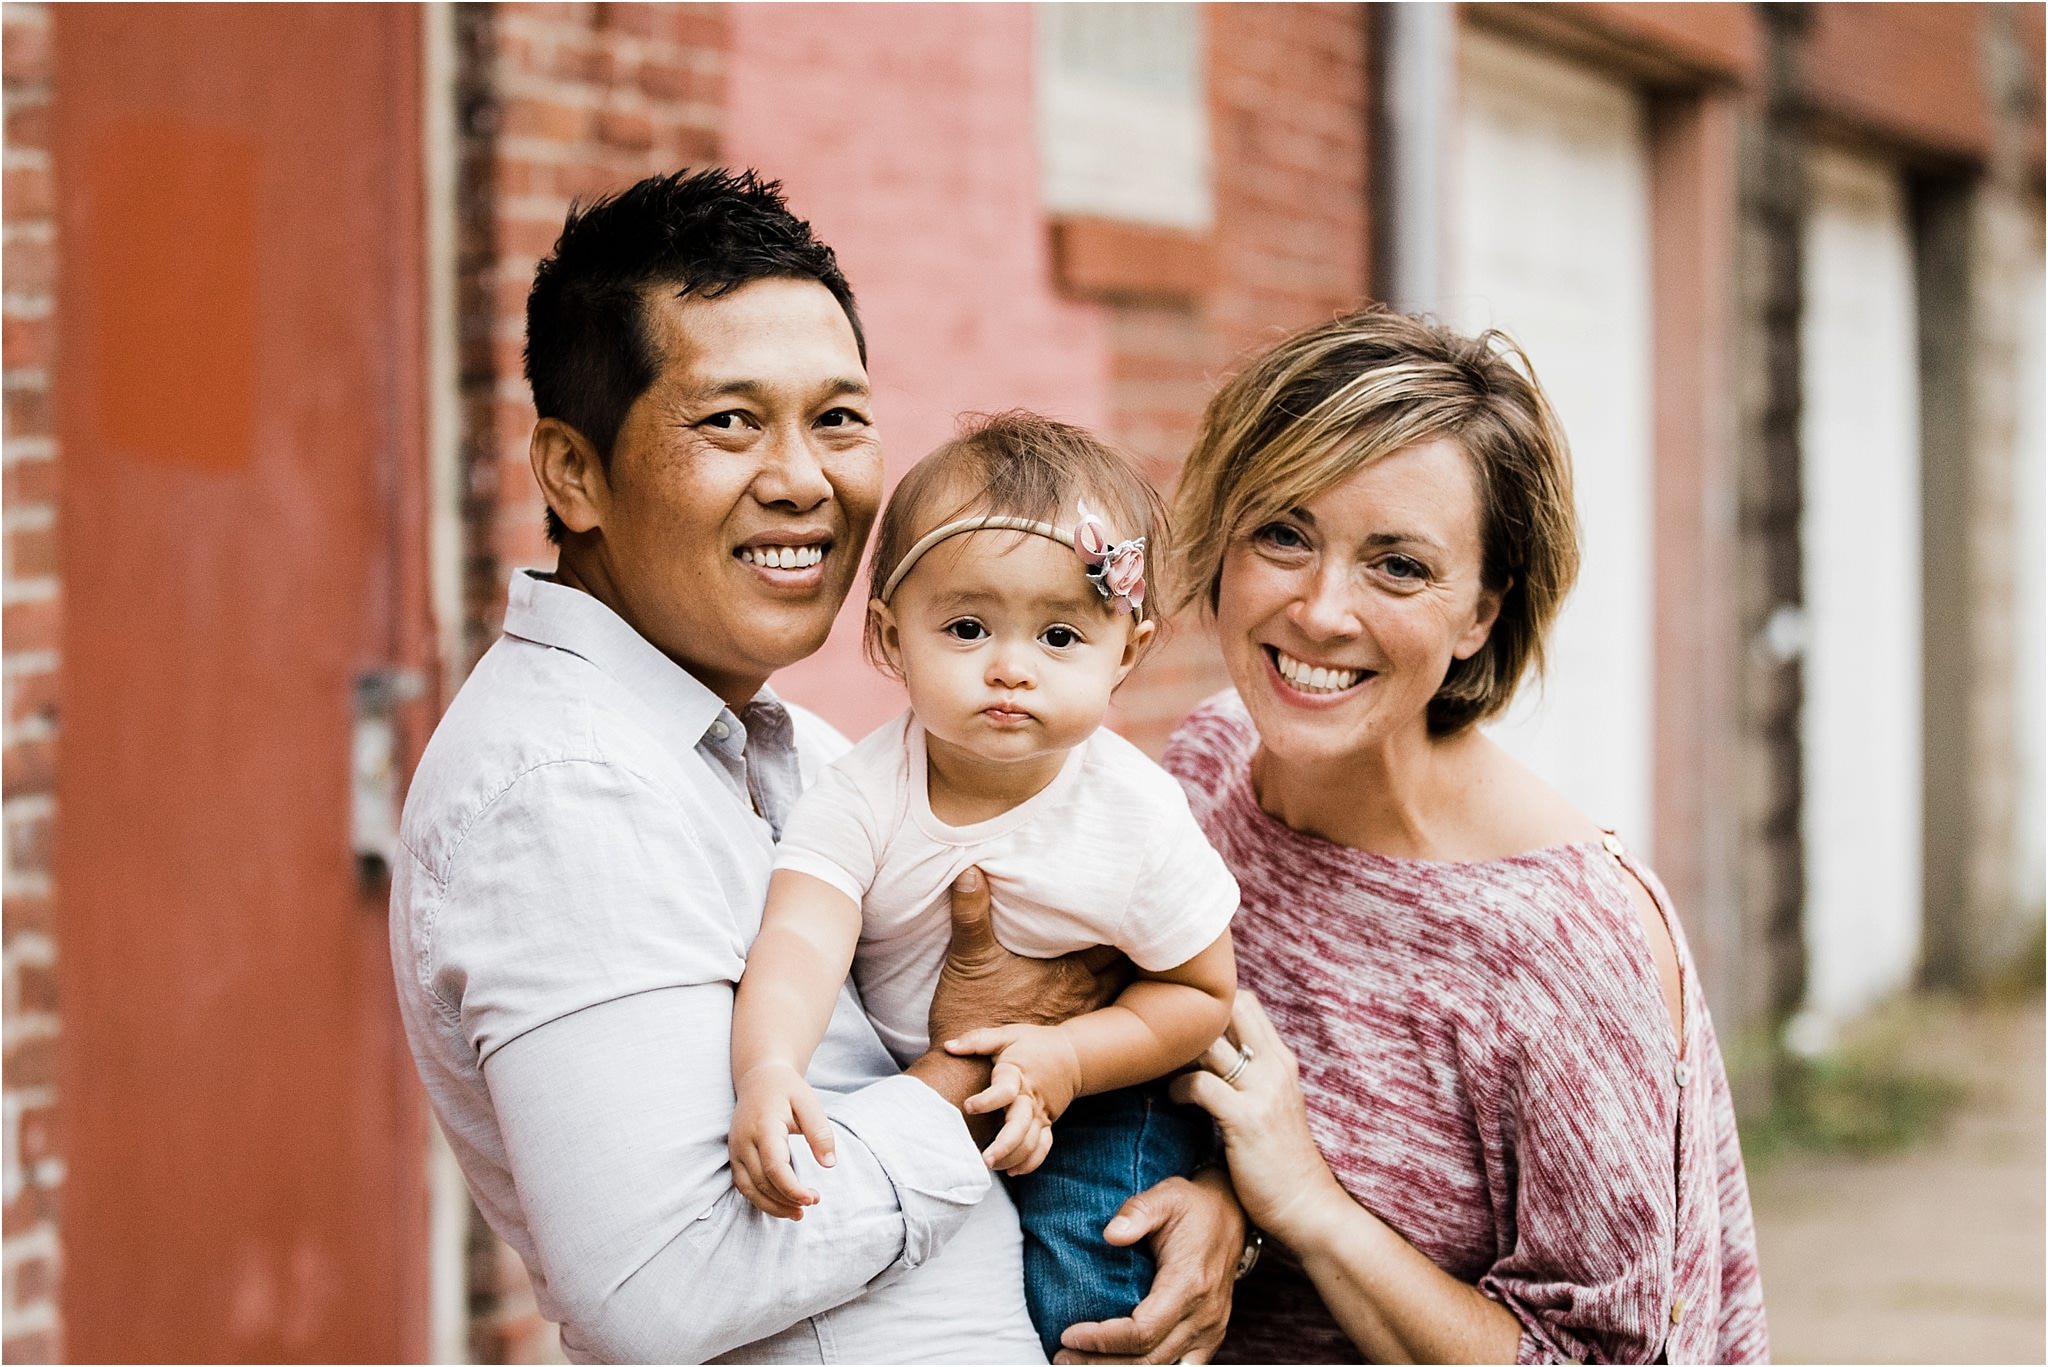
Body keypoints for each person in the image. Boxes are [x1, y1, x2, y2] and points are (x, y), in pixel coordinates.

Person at [386, 168, 1243, 1363]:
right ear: (572, 473)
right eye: (730, 420)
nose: (804, 479)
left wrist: (1192, 1202)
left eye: (837, 418)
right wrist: (974, 1069)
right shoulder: (562, 788)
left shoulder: (809, 752)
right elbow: (661, 1282)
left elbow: (1178, 1000)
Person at [1159, 309, 1770, 1363]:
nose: (1318, 608)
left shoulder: (1561, 939)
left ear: (1480, 613)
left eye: (1396, 565)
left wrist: (1307, 1200)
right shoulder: (1203, 769)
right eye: (1283, 533)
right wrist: (1227, 1204)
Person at [726, 413, 1239, 1358]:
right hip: (904, 1086)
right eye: (967, 627)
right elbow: (800, 940)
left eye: (1059, 634)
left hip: (1097, 1098)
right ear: (891, 636)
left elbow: (1201, 992)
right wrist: (768, 1068)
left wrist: (1072, 1057)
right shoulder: (863, 792)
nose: (1010, 665)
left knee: (1087, 1286)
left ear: (1126, 651)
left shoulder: (1136, 817)